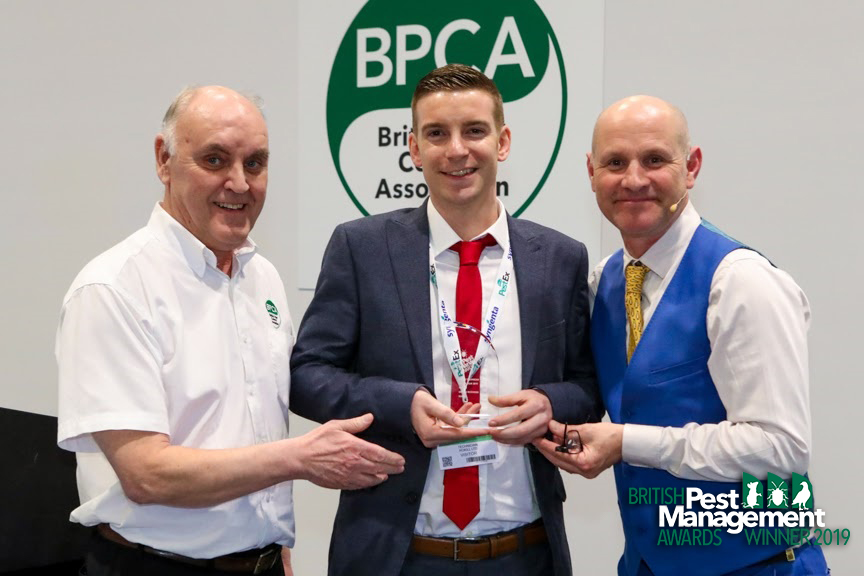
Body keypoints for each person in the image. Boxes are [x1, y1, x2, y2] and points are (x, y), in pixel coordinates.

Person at [56, 85, 405, 576]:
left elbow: (253, 426)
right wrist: (300, 458)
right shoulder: (113, 289)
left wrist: (273, 545)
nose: (239, 183)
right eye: (215, 160)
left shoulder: (260, 277)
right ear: (164, 159)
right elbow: (146, 475)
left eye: (256, 164)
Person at [290, 64, 600, 576]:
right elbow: (307, 376)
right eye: (437, 134)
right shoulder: (362, 248)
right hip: (399, 554)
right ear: (413, 149)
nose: (457, 149)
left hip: (525, 554)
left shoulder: (560, 257)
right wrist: (399, 403)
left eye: (474, 130)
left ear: (502, 142)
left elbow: (590, 388)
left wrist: (549, 403)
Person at [534, 95, 828, 575]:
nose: (633, 180)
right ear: (591, 173)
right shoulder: (604, 282)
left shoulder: (740, 281)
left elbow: (782, 450)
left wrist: (628, 443)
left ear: (691, 167)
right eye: (614, 162)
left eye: (654, 160)